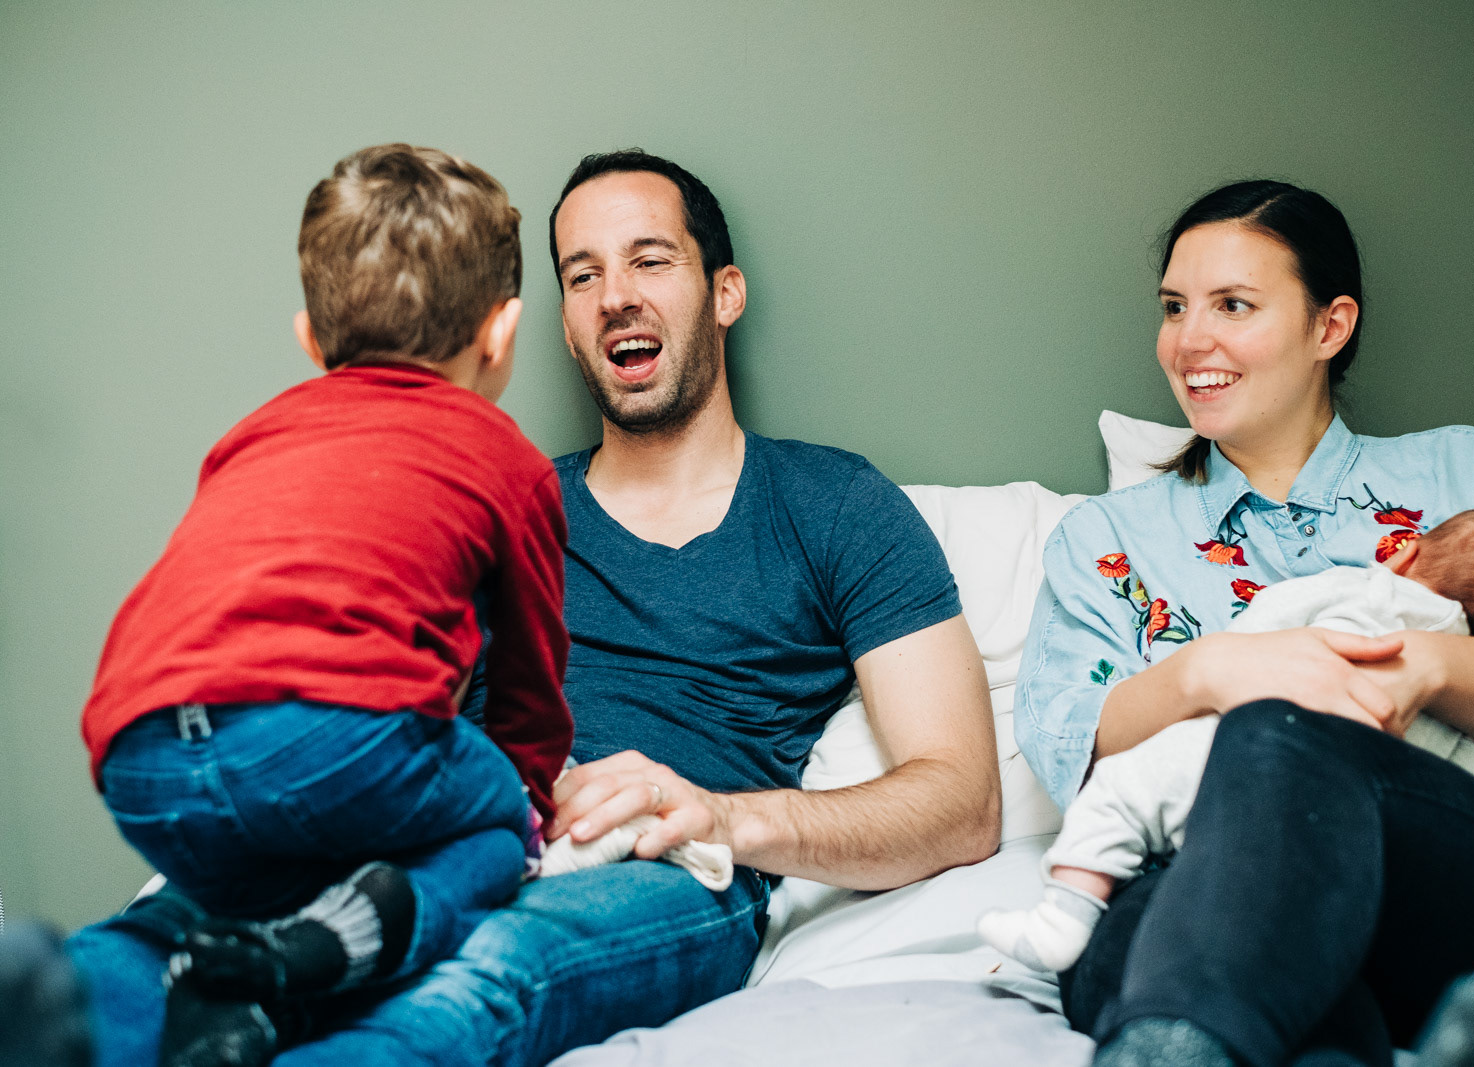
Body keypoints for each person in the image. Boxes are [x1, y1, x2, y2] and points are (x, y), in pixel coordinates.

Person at [62, 149, 999, 1067]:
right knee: (161, 941)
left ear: (725, 292)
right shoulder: (478, 489)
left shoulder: (835, 503)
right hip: (423, 822)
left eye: (649, 259)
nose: (614, 296)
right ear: (542, 325)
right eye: (581, 274)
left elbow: (962, 803)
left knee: (478, 971)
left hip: (656, 865)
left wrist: (720, 815)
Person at [1014, 179, 1474, 1067]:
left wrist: (1420, 670)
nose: (1189, 340)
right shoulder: (1108, 540)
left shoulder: (1459, 473)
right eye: (1175, 307)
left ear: (1330, 326)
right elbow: (1069, 742)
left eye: (1233, 305)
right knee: (1136, 923)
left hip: (1462, 871)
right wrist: (1210, 671)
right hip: (1213, 883)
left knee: (1277, 738)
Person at [64, 143, 572, 1067]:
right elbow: (531, 691)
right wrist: (524, 799)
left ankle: (65, 1001)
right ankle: (351, 940)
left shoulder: (249, 436)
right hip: (328, 736)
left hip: (136, 755)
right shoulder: (507, 459)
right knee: (499, 822)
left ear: (310, 338)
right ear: (502, 332)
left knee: (223, 901)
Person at [982, 507, 1474, 973]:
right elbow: (1467, 783)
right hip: (1353, 833)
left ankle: (1064, 915)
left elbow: (1264, 623)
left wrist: (1223, 661)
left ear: (1404, 552)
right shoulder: (1466, 702)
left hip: (1234, 762)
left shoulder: (1364, 589)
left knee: (1120, 791)